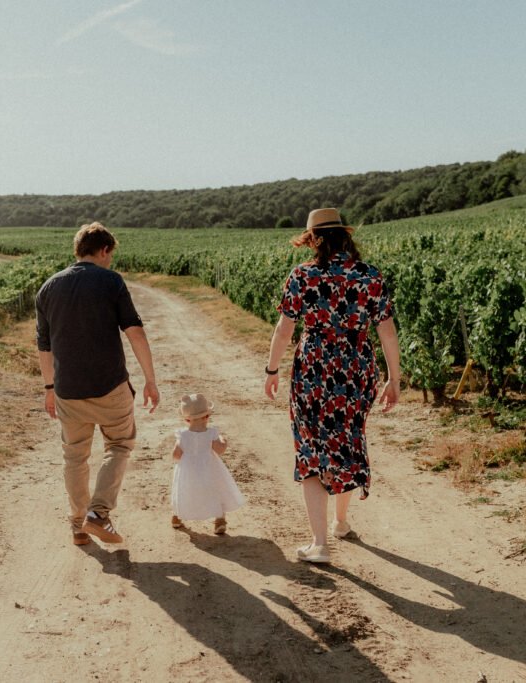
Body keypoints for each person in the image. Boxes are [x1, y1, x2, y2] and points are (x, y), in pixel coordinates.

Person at [264, 208, 401, 564]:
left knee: (312, 447)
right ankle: (341, 521)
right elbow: (387, 332)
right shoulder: (370, 276)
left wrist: (272, 369)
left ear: (313, 239)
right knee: (348, 437)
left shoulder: (302, 276)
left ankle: (320, 543)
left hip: (314, 368)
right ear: (345, 236)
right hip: (357, 366)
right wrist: (394, 379)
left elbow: (284, 330)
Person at [36, 222, 160, 546]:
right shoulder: (111, 281)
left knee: (74, 457)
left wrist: (49, 389)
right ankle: (98, 514)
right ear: (104, 250)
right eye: (111, 255)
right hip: (110, 387)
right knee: (119, 446)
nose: (111, 261)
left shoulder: (47, 289)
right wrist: (150, 380)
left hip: (67, 391)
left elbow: (44, 347)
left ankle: (78, 525)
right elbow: (134, 331)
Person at [170, 394, 246, 535]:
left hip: (188, 471)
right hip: (210, 470)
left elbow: (175, 454)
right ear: (207, 416)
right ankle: (219, 520)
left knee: (184, 491)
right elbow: (220, 450)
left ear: (187, 419)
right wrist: (223, 440)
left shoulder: (183, 435)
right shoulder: (211, 433)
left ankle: (177, 516)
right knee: (216, 491)